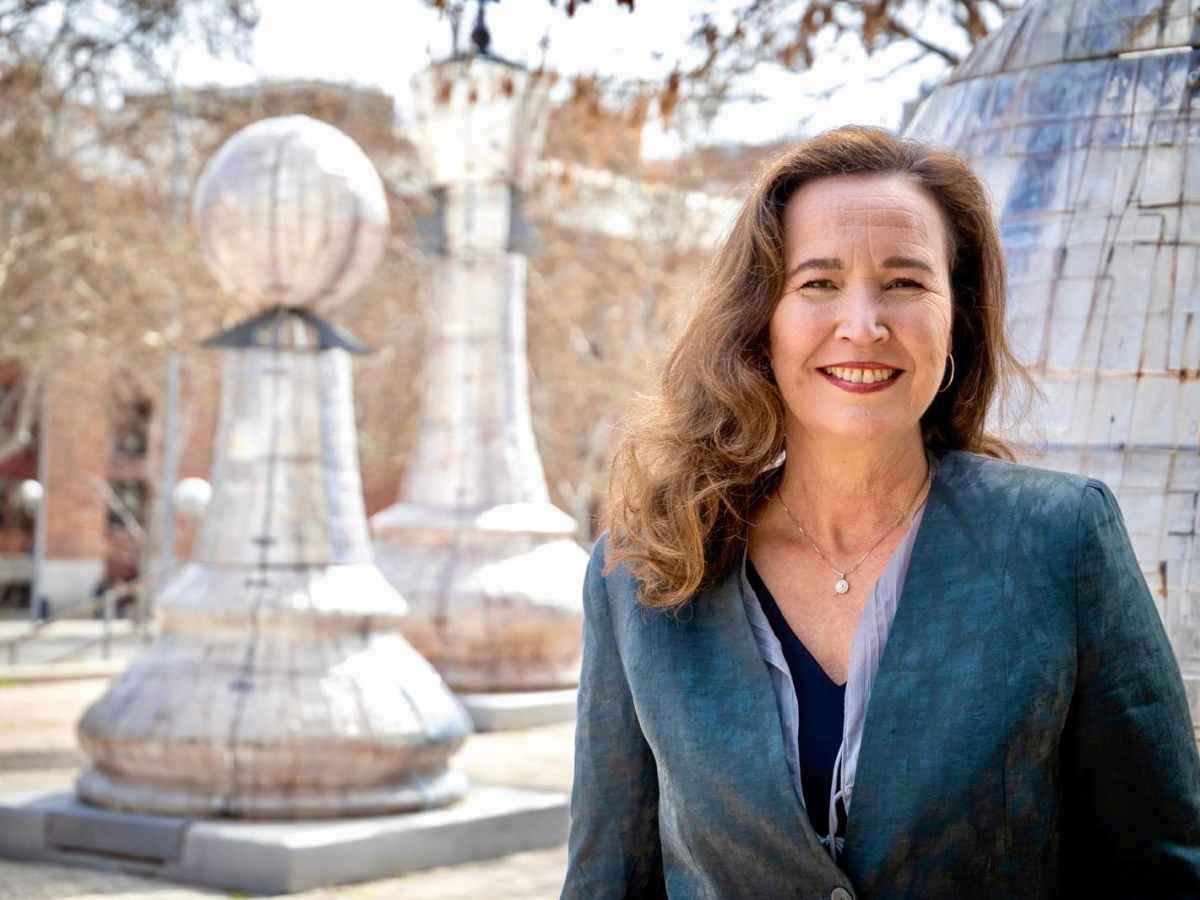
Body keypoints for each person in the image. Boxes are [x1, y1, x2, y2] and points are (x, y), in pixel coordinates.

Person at [560, 125, 1200, 899]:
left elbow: (1161, 871)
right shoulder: (642, 574)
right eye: (819, 283)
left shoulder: (1062, 541)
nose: (863, 324)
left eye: (904, 282)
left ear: (956, 318)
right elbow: (606, 882)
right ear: (761, 321)